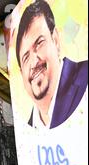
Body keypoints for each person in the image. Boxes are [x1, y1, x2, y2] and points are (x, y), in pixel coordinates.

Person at [15, 0, 88, 129]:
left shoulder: (84, 77)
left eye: (39, 43)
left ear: (56, 40)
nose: (33, 62)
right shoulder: (27, 130)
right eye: (25, 57)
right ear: (21, 73)